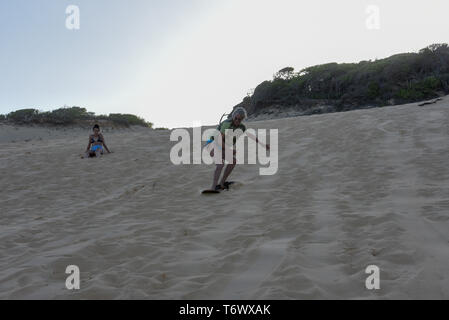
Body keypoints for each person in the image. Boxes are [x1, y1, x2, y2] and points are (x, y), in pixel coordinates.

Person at [206, 107, 270, 191]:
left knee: (233, 161)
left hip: (221, 146)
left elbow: (251, 136)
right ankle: (213, 187)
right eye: (235, 118)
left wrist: (263, 144)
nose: (237, 120)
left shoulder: (242, 127)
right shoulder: (227, 124)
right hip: (212, 144)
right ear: (233, 116)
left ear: (242, 119)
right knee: (220, 164)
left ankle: (221, 183)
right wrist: (229, 150)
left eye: (239, 119)